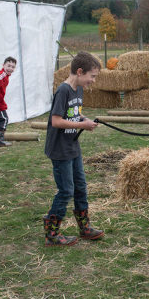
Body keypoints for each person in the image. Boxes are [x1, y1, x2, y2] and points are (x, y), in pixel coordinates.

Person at [43, 51, 105, 247]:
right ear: (79, 72)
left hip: (73, 147)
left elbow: (73, 114)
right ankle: (52, 233)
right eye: (92, 76)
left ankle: (84, 228)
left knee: (80, 188)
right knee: (66, 190)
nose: (93, 81)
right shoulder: (63, 90)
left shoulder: (78, 90)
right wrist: (81, 126)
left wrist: (84, 119)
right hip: (60, 150)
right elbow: (56, 121)